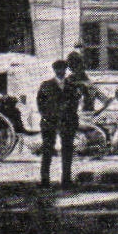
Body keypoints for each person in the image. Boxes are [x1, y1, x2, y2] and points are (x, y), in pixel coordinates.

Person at [37, 59, 82, 187]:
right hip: (50, 122)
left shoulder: (71, 86)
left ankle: (66, 180)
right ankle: (45, 180)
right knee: (47, 150)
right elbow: (40, 103)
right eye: (58, 69)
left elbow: (75, 102)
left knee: (67, 150)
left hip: (67, 122)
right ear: (54, 70)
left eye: (62, 69)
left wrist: (70, 115)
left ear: (65, 70)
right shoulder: (46, 85)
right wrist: (47, 116)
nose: (60, 71)